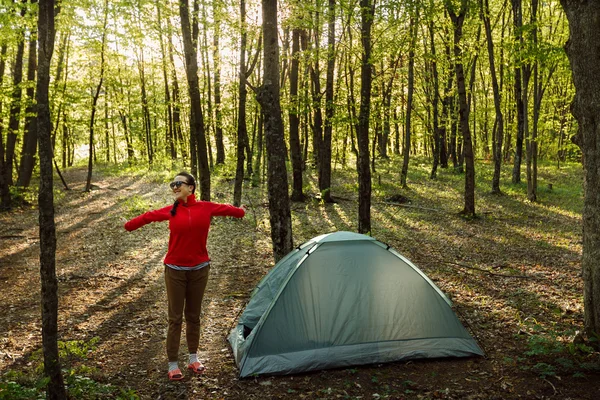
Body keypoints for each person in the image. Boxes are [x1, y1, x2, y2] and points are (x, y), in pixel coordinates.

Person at [124, 172, 245, 381]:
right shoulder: (171, 211)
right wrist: (128, 224)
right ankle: (172, 363)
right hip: (175, 271)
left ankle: (193, 358)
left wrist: (241, 211)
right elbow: (148, 216)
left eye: (179, 183)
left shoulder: (206, 207)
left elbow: (230, 210)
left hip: (199, 270)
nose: (174, 187)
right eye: (173, 184)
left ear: (191, 187)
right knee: (175, 318)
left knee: (193, 316)